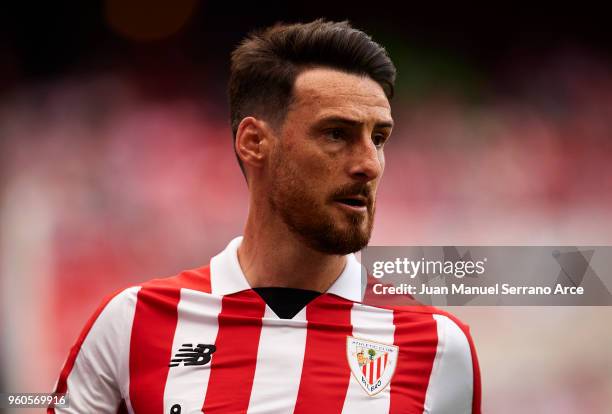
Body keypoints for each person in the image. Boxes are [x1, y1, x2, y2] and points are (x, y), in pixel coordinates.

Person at [50, 19, 481, 414]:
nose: (369, 163)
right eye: (336, 134)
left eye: (379, 138)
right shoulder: (132, 323)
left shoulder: (440, 346)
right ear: (254, 142)